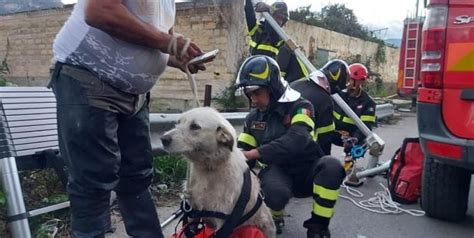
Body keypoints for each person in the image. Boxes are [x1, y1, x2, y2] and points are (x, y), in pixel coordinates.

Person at [49, 1, 210, 237]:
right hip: (89, 77)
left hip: (134, 95)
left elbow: (157, 36)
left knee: (136, 176)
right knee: (93, 181)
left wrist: (177, 57)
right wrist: (169, 43)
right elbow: (99, 11)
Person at [236, 55, 345, 238]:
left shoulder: (301, 106)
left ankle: (318, 226)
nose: (253, 100)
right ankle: (274, 217)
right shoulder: (253, 118)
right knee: (274, 192)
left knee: (331, 166)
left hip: (308, 170)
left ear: (272, 89)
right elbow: (242, 153)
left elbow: (298, 139)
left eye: (256, 93)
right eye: (249, 94)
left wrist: (255, 153)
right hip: (278, 171)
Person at [290, 60, 350, 155]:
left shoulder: (296, 84)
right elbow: (325, 138)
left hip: (280, 145)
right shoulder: (325, 100)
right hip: (302, 152)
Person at [332, 63, 376, 160]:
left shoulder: (368, 102)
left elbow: (366, 126)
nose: (348, 82)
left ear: (361, 81)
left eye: (351, 79)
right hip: (333, 131)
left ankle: (350, 161)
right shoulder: (337, 95)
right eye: (347, 78)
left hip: (352, 135)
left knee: (364, 141)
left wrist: (355, 138)